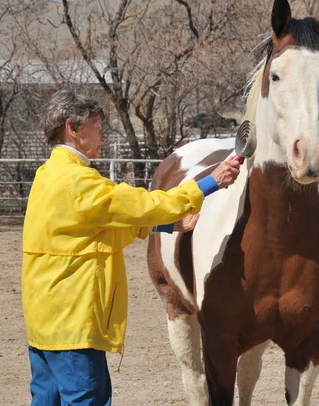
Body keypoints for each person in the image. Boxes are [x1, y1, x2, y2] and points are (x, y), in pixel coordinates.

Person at [21, 89, 241, 406]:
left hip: (44, 317)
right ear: (72, 128)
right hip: (73, 320)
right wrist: (208, 182)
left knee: (46, 399)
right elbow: (143, 204)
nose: (103, 136)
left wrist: (167, 225)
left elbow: (94, 231)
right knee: (87, 400)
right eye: (97, 126)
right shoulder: (77, 181)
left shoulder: (47, 175)